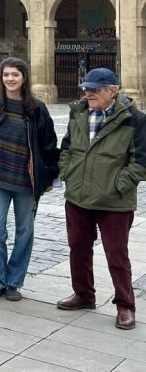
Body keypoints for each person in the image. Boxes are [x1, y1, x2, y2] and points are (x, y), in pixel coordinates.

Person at [57, 68, 146, 330]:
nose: (89, 93)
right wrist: (68, 173)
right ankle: (83, 295)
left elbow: (141, 161)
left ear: (113, 90)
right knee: (78, 248)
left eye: (95, 89)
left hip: (114, 200)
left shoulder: (135, 119)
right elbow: (67, 148)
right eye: (87, 88)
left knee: (117, 255)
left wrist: (119, 184)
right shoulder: (79, 112)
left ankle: (125, 305)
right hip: (78, 195)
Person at [0, 57, 58, 301]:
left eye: (15, 74)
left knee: (25, 232)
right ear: (0, 78)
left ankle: (14, 281)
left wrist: (49, 176)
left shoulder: (36, 108)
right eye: (6, 75)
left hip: (27, 181)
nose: (10, 79)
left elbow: (49, 145)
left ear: (24, 78)